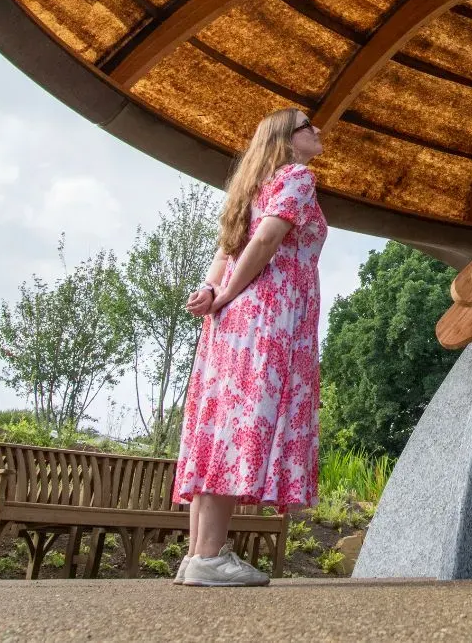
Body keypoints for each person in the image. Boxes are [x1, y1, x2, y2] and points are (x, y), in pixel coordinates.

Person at [172, 108, 328, 587]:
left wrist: (212, 292)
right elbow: (263, 243)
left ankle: (198, 554)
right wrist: (228, 292)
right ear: (287, 139)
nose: (318, 131)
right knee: (241, 426)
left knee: (219, 426)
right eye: (308, 126)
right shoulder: (298, 177)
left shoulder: (250, 188)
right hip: (266, 317)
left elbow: (225, 251)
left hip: (230, 321)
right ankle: (211, 558)